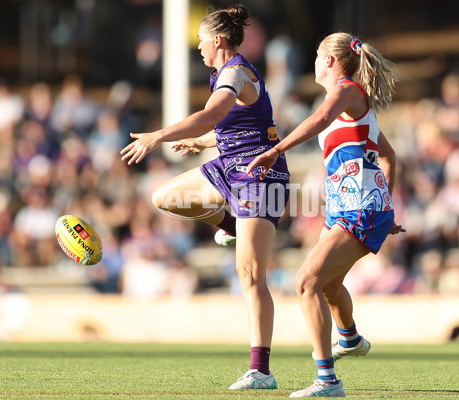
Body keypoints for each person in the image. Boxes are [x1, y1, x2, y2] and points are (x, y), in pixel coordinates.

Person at [120, 4, 289, 391]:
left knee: (249, 275)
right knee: (165, 196)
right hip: (230, 166)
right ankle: (232, 226)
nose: (197, 47)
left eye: (200, 41)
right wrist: (201, 141)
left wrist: (158, 135)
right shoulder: (225, 74)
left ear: (217, 40)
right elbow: (239, 124)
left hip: (258, 175)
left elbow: (213, 114)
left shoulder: (235, 72)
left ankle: (261, 371)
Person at [247, 32, 404, 397]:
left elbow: (319, 118)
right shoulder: (349, 105)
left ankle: (328, 381)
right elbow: (388, 156)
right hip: (349, 209)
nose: (315, 61)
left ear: (330, 61)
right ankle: (348, 338)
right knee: (329, 286)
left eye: (319, 55)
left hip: (360, 208)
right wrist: (388, 203)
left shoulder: (346, 92)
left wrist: (277, 149)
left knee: (305, 282)